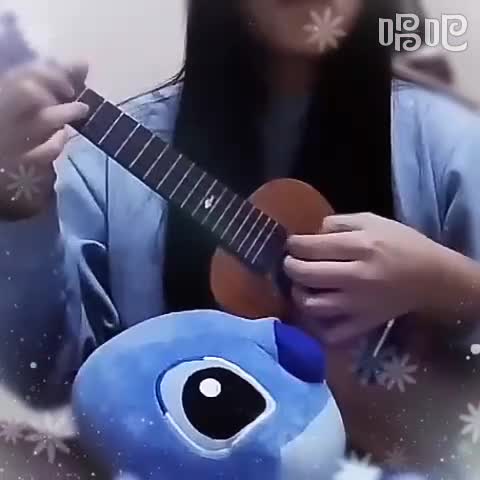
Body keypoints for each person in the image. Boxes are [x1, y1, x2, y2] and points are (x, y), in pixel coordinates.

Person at [1, 0, 480, 476]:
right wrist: (20, 206)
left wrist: (448, 285)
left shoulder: (448, 143)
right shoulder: (107, 171)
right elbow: (46, 378)